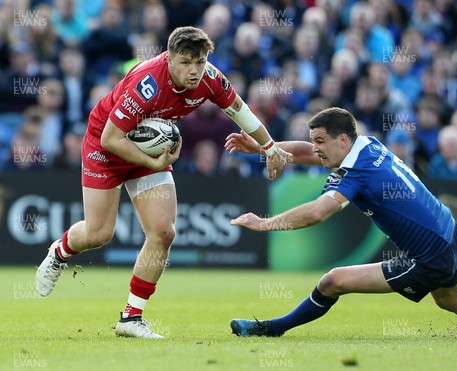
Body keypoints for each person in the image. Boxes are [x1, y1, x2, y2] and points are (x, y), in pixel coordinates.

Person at [35, 26, 290, 339]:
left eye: (199, 61)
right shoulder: (148, 84)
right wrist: (153, 162)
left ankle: (131, 317)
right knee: (99, 233)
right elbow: (111, 138)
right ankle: (59, 252)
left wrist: (270, 146)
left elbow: (240, 111)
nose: (194, 70)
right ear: (169, 58)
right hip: (106, 147)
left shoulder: (209, 77)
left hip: (148, 150)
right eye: (185, 62)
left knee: (164, 231)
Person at [224, 107, 457, 339]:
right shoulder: (369, 145)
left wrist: (266, 224)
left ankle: (271, 329)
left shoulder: (354, 174)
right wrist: (266, 148)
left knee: (332, 281)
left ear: (342, 139)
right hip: (452, 234)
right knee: (451, 301)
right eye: (314, 141)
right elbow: (308, 153)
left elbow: (318, 212)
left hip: (429, 257)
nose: (316, 147)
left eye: (321, 140)